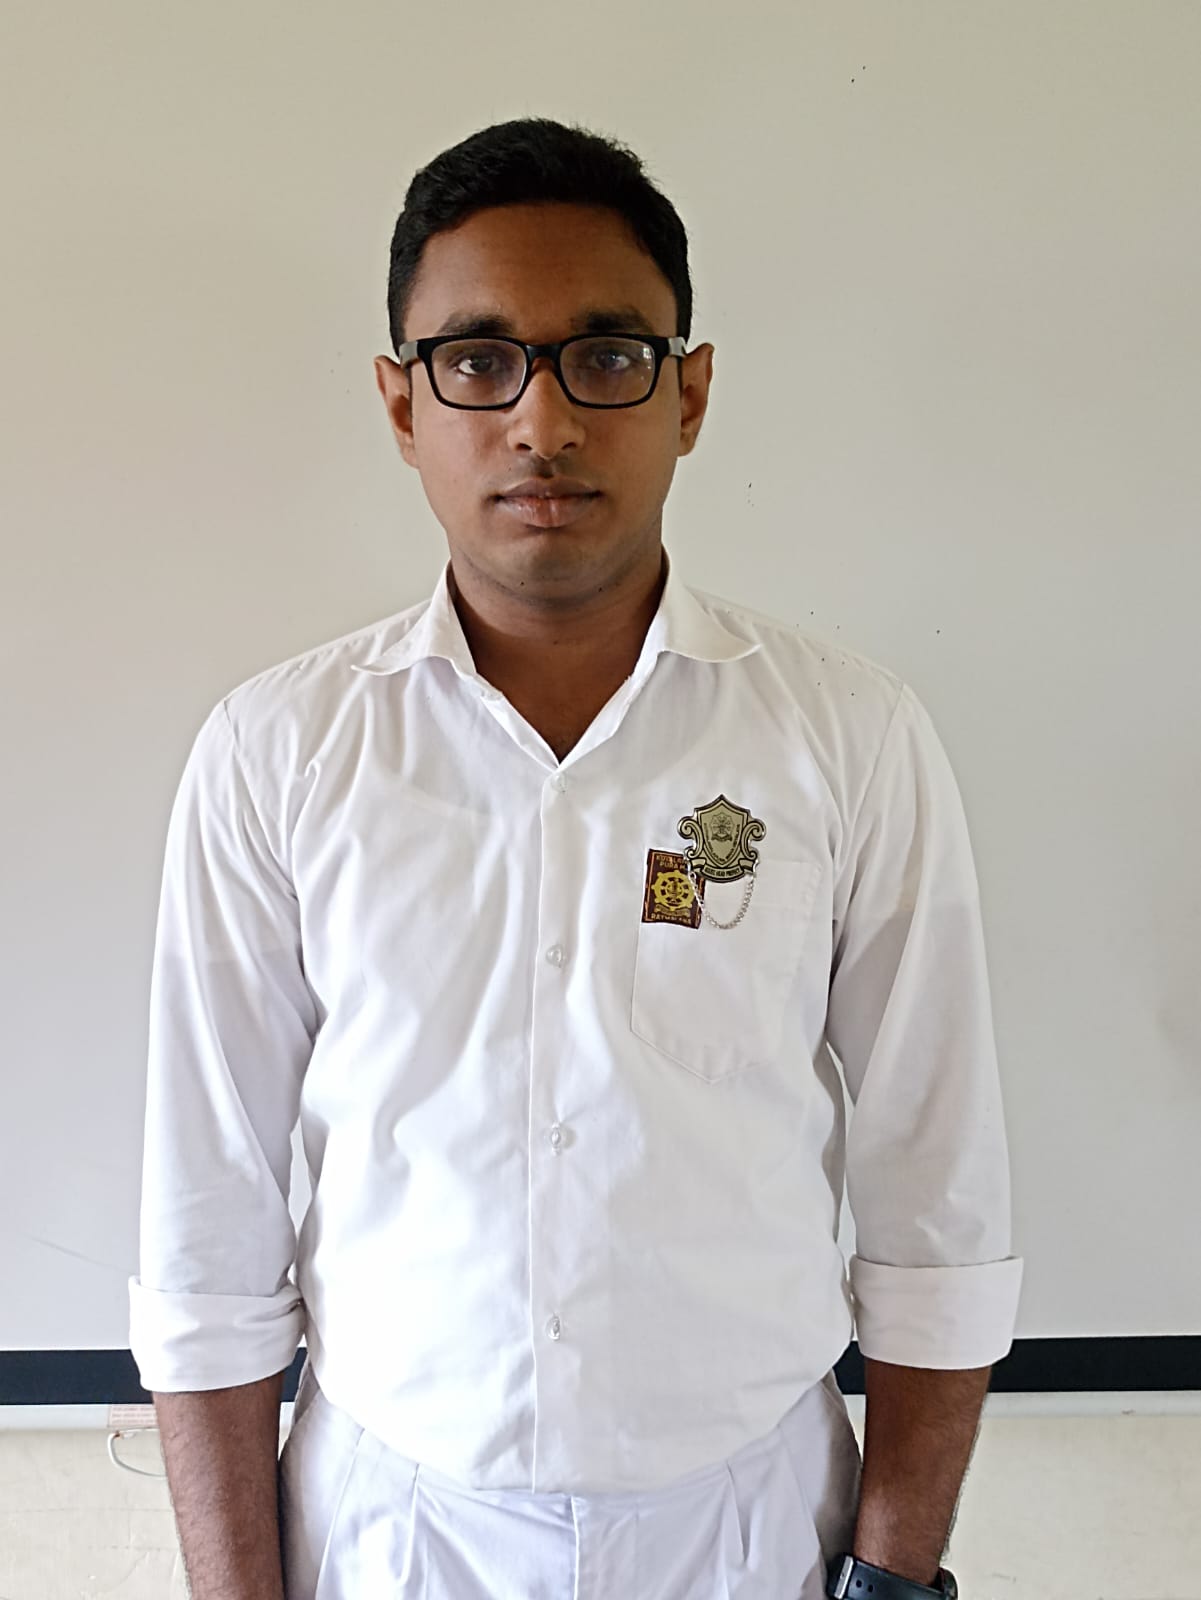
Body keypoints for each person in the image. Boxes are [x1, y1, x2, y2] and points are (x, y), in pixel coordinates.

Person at [128, 116, 1023, 1600]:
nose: (541, 423)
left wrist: (892, 1576)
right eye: (478, 361)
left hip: (751, 1527)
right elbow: (206, 1234)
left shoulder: (847, 735)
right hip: (392, 1529)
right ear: (401, 403)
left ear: (691, 393)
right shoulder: (276, 752)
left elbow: (940, 1195)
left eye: (606, 356)